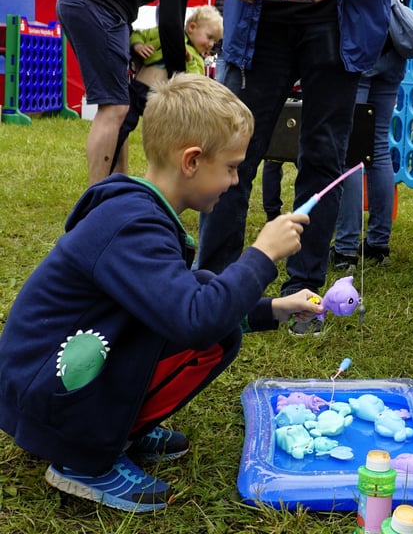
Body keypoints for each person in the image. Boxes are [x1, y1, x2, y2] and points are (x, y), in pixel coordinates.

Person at [0, 74, 322, 512]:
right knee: (215, 332)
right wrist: (262, 255)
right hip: (44, 394)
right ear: (192, 160)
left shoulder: (141, 214)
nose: (234, 181)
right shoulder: (131, 224)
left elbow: (186, 297)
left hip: (52, 384)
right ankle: (82, 459)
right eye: (231, 167)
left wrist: (274, 309)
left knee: (215, 315)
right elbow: (196, 319)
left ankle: (120, 427)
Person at [198, 0, 413, 337]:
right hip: (258, 12)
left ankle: (302, 293)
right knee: (228, 154)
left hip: (339, 19)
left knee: (323, 159)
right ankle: (213, 292)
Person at [56, 0, 196, 186]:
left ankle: (117, 188)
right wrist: (179, 78)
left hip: (86, 1)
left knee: (119, 104)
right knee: (114, 106)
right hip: (96, 3)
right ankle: (96, 198)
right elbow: (171, 18)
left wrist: (132, 45)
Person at [332, 0, 413, 271]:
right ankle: (378, 245)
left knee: (350, 150)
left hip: (362, 45)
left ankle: (346, 249)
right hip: (394, 50)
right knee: (378, 147)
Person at [113, 5, 225, 166]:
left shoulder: (197, 58)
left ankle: (162, 166)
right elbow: (139, 34)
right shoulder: (165, 34)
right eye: (209, 37)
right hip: (139, 90)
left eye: (215, 41)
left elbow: (196, 79)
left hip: (162, 101)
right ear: (192, 27)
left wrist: (189, 61)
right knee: (122, 126)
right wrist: (138, 46)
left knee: (161, 136)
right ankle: (111, 156)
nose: (211, 44)